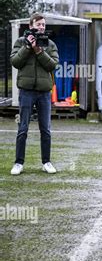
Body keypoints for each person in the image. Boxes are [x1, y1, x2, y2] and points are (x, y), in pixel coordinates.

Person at [10, 13, 59, 175]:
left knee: (45, 129)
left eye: (43, 25)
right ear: (31, 26)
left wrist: (39, 51)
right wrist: (27, 48)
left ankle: (46, 162)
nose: (42, 27)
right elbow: (15, 62)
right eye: (39, 24)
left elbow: (52, 65)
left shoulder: (50, 44)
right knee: (22, 128)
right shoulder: (20, 42)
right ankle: (18, 163)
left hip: (44, 93)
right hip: (26, 91)